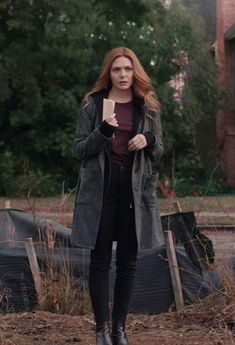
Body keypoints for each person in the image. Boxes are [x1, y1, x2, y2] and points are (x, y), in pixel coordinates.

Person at [71, 47, 164, 345]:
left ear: (134, 71)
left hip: (134, 193)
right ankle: (101, 330)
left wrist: (147, 138)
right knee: (99, 262)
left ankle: (119, 330)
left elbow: (159, 149)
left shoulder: (147, 106)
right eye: (116, 69)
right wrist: (102, 131)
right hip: (101, 192)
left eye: (127, 69)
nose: (122, 75)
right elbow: (80, 149)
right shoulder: (92, 104)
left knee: (128, 262)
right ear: (108, 73)